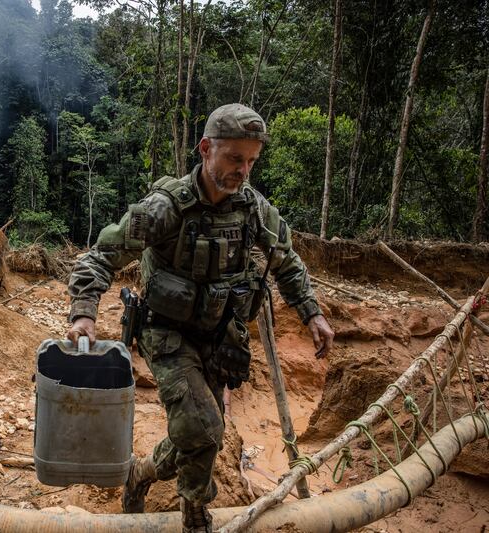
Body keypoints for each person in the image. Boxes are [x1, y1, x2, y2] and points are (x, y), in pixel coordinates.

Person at [66, 103, 335, 532]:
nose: (243, 171)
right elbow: (101, 256)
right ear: (205, 149)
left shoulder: (254, 210)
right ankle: (195, 516)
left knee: (196, 436)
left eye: (251, 161)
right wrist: (84, 313)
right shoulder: (167, 207)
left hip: (219, 338)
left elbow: (287, 263)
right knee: (206, 428)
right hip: (165, 332)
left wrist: (312, 313)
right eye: (233, 158)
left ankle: (140, 473)